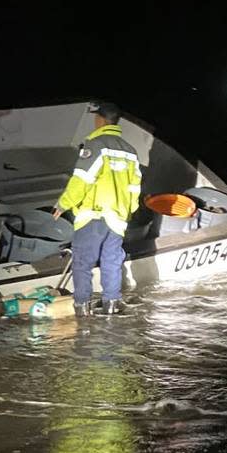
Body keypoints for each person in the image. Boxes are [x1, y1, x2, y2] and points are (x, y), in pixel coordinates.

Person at [53, 102, 142, 316]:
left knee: (83, 262)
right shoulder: (130, 151)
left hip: (93, 215)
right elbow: (135, 188)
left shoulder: (95, 145)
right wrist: (126, 212)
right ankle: (111, 302)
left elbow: (82, 180)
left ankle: (82, 307)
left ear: (100, 120)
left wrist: (63, 204)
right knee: (111, 260)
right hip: (118, 217)